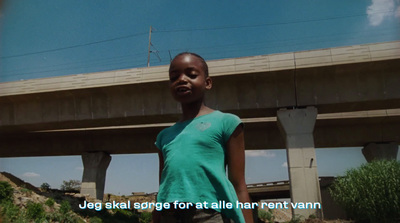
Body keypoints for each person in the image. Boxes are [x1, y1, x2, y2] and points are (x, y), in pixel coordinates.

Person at [153, 52, 253, 223]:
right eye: (174, 77)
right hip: (169, 215)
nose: (182, 80)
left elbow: (238, 185)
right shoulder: (164, 136)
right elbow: (164, 185)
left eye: (191, 75)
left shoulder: (226, 122)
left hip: (210, 215)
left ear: (207, 83)